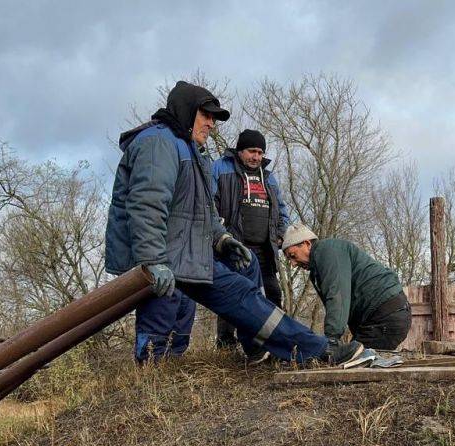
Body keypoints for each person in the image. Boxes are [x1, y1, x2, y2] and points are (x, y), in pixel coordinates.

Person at [105, 81, 372, 368]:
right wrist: (152, 260)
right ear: (186, 110)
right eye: (206, 115)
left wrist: (222, 239)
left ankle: (318, 351)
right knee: (162, 321)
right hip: (162, 259)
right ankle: (150, 383)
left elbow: (202, 211)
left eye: (213, 118)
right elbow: (147, 205)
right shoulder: (159, 143)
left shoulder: (191, 151)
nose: (211, 124)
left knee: (245, 296)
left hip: (189, 255)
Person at [212, 129, 289, 349]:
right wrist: (221, 235)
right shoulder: (220, 168)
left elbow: (282, 211)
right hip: (234, 247)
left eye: (260, 152)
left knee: (273, 294)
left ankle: (275, 343)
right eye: (251, 151)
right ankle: (226, 345)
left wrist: (281, 236)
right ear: (239, 150)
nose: (256, 157)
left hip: (265, 250)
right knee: (232, 294)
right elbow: (209, 204)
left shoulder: (269, 177)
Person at [281, 224, 411, 350]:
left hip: (384, 316)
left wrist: (331, 339)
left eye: (293, 255)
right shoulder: (318, 267)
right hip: (379, 318)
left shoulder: (327, 251)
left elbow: (337, 296)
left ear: (307, 244)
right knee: (351, 356)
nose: (293, 264)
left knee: (352, 363)